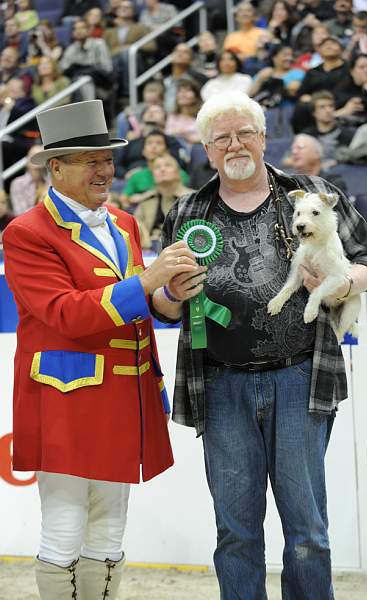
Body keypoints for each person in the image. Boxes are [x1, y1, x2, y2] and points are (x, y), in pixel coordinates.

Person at [155, 91, 367, 599]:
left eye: (244, 133)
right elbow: (162, 302)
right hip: (219, 382)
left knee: (307, 533)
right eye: (221, 139)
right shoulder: (188, 210)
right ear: (207, 151)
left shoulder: (315, 192)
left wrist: (346, 284)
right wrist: (170, 294)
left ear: (263, 138)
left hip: (300, 375)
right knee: (235, 532)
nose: (234, 144)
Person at [2, 99, 202, 599]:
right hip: (66, 395)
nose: (105, 170)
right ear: (56, 168)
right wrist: (149, 281)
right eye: (91, 160)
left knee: (110, 525)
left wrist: (171, 294)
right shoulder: (24, 233)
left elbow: (140, 303)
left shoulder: (124, 223)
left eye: (108, 159)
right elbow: (66, 313)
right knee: (64, 526)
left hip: (125, 391)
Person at [134, 153, 193, 249]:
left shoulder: (194, 199)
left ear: (177, 173)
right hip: (149, 251)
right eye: (157, 167)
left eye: (168, 165)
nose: (162, 169)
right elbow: (136, 226)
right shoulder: (147, 200)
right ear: (153, 175)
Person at [9, 144, 49, 215]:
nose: (37, 159)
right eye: (34, 155)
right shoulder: (18, 183)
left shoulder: (51, 181)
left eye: (40, 156)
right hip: (28, 223)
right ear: (27, 160)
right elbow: (20, 212)